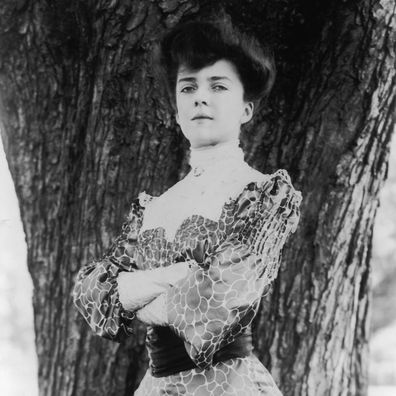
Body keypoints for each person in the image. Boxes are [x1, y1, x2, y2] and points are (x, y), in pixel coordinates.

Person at [73, 18, 302, 396]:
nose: (201, 97)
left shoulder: (264, 197)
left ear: (246, 109)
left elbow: (217, 305)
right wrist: (173, 276)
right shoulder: (152, 208)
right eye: (188, 87)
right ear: (177, 110)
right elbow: (93, 296)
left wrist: (136, 300)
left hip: (230, 384)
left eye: (218, 86)